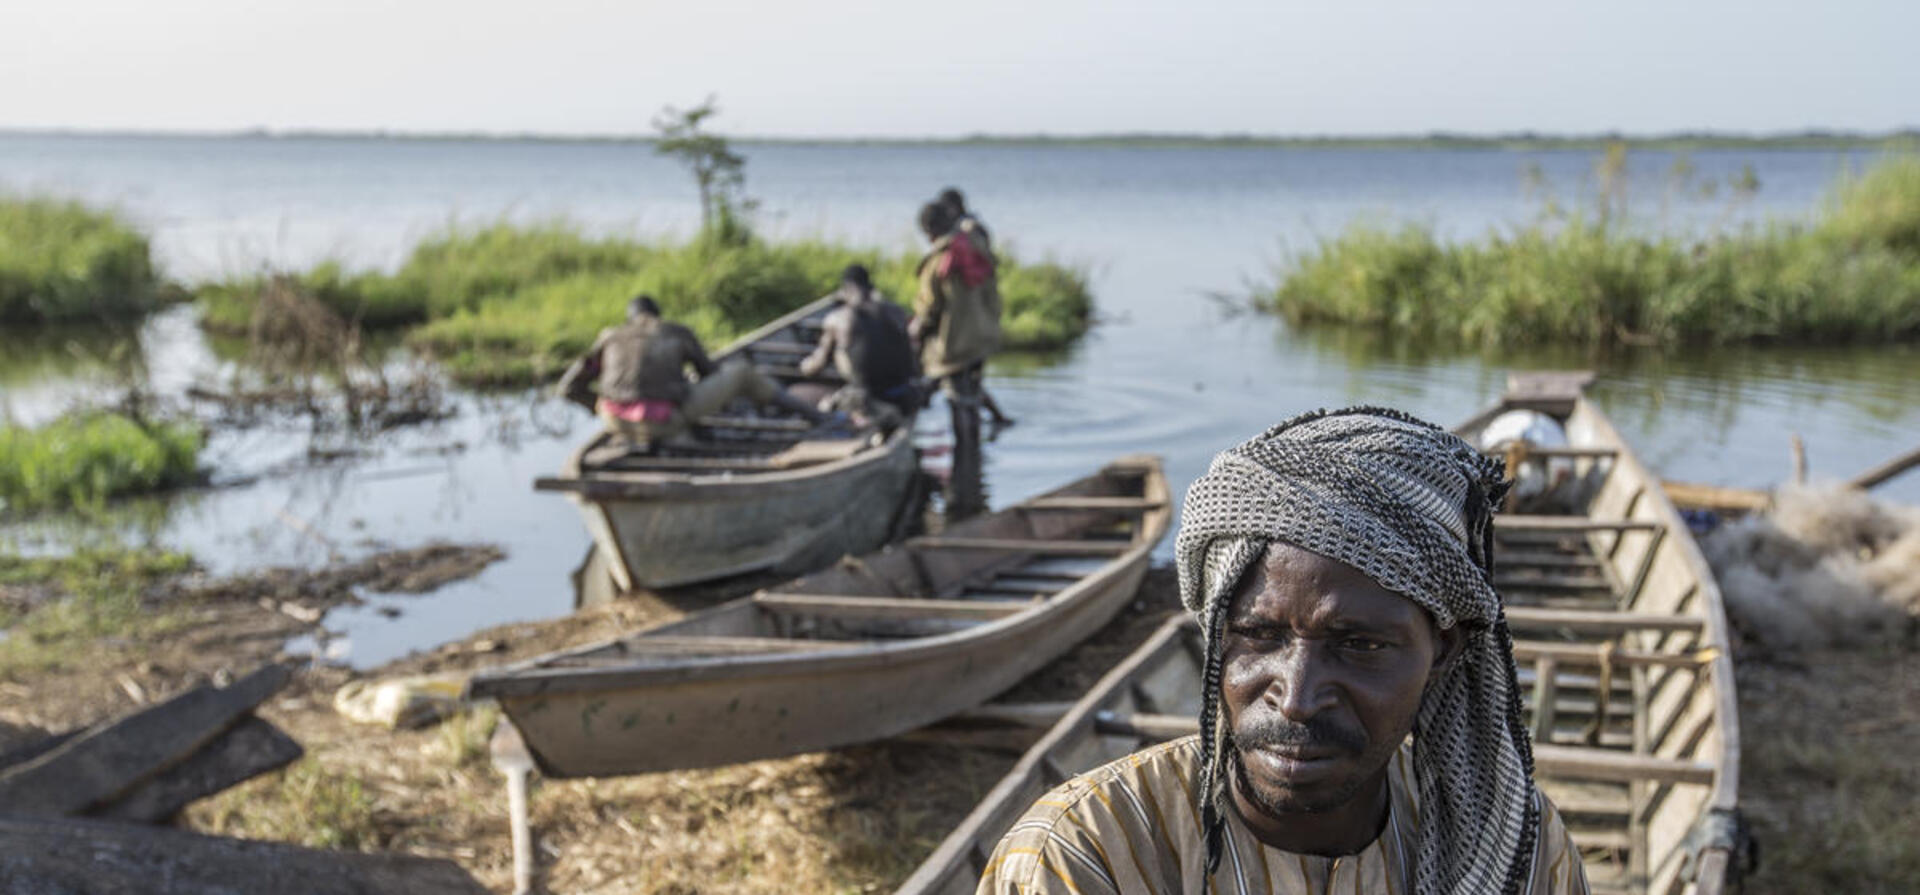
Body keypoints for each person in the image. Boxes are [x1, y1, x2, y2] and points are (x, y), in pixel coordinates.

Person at [980, 408, 1592, 894]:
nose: (1296, 699)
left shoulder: (1512, 848)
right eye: (1259, 635)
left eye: (1359, 645)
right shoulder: (1087, 854)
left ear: (1442, 652)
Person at [556, 295, 823, 451]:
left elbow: (567, 388)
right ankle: (815, 416)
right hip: (664, 421)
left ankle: (636, 429)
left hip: (613, 420)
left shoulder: (609, 336)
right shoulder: (676, 333)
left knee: (639, 403)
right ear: (657, 315)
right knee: (741, 372)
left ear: (630, 318)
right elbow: (708, 374)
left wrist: (601, 408)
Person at [912, 201, 1003, 446]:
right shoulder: (976, 245)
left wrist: (917, 333)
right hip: (983, 336)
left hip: (955, 342)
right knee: (971, 397)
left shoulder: (939, 260)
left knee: (958, 401)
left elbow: (930, 308)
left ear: (929, 231)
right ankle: (973, 460)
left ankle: (965, 459)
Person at [799, 264, 917, 430]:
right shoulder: (896, 311)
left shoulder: (838, 318)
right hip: (905, 395)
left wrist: (802, 367)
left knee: (810, 398)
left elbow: (816, 367)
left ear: (847, 288)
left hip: (868, 400)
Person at [939, 186, 992, 252]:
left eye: (945, 208)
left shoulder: (964, 223)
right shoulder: (971, 219)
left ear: (954, 207)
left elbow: (968, 225)